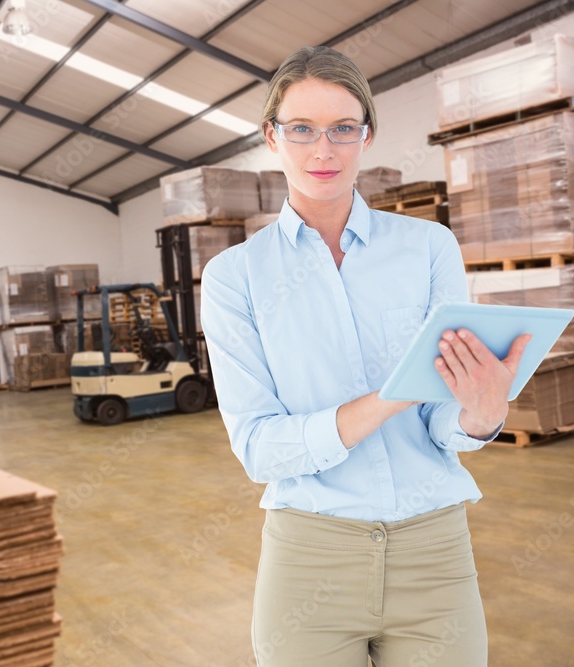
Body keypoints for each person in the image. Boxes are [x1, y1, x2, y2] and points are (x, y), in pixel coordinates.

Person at [200, 45, 530, 666]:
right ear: (272, 137)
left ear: (366, 136)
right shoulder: (234, 277)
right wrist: (386, 400)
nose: (322, 150)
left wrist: (481, 415)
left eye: (342, 129)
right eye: (301, 129)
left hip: (434, 552)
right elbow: (259, 448)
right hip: (308, 558)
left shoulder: (428, 247)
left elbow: (441, 421)